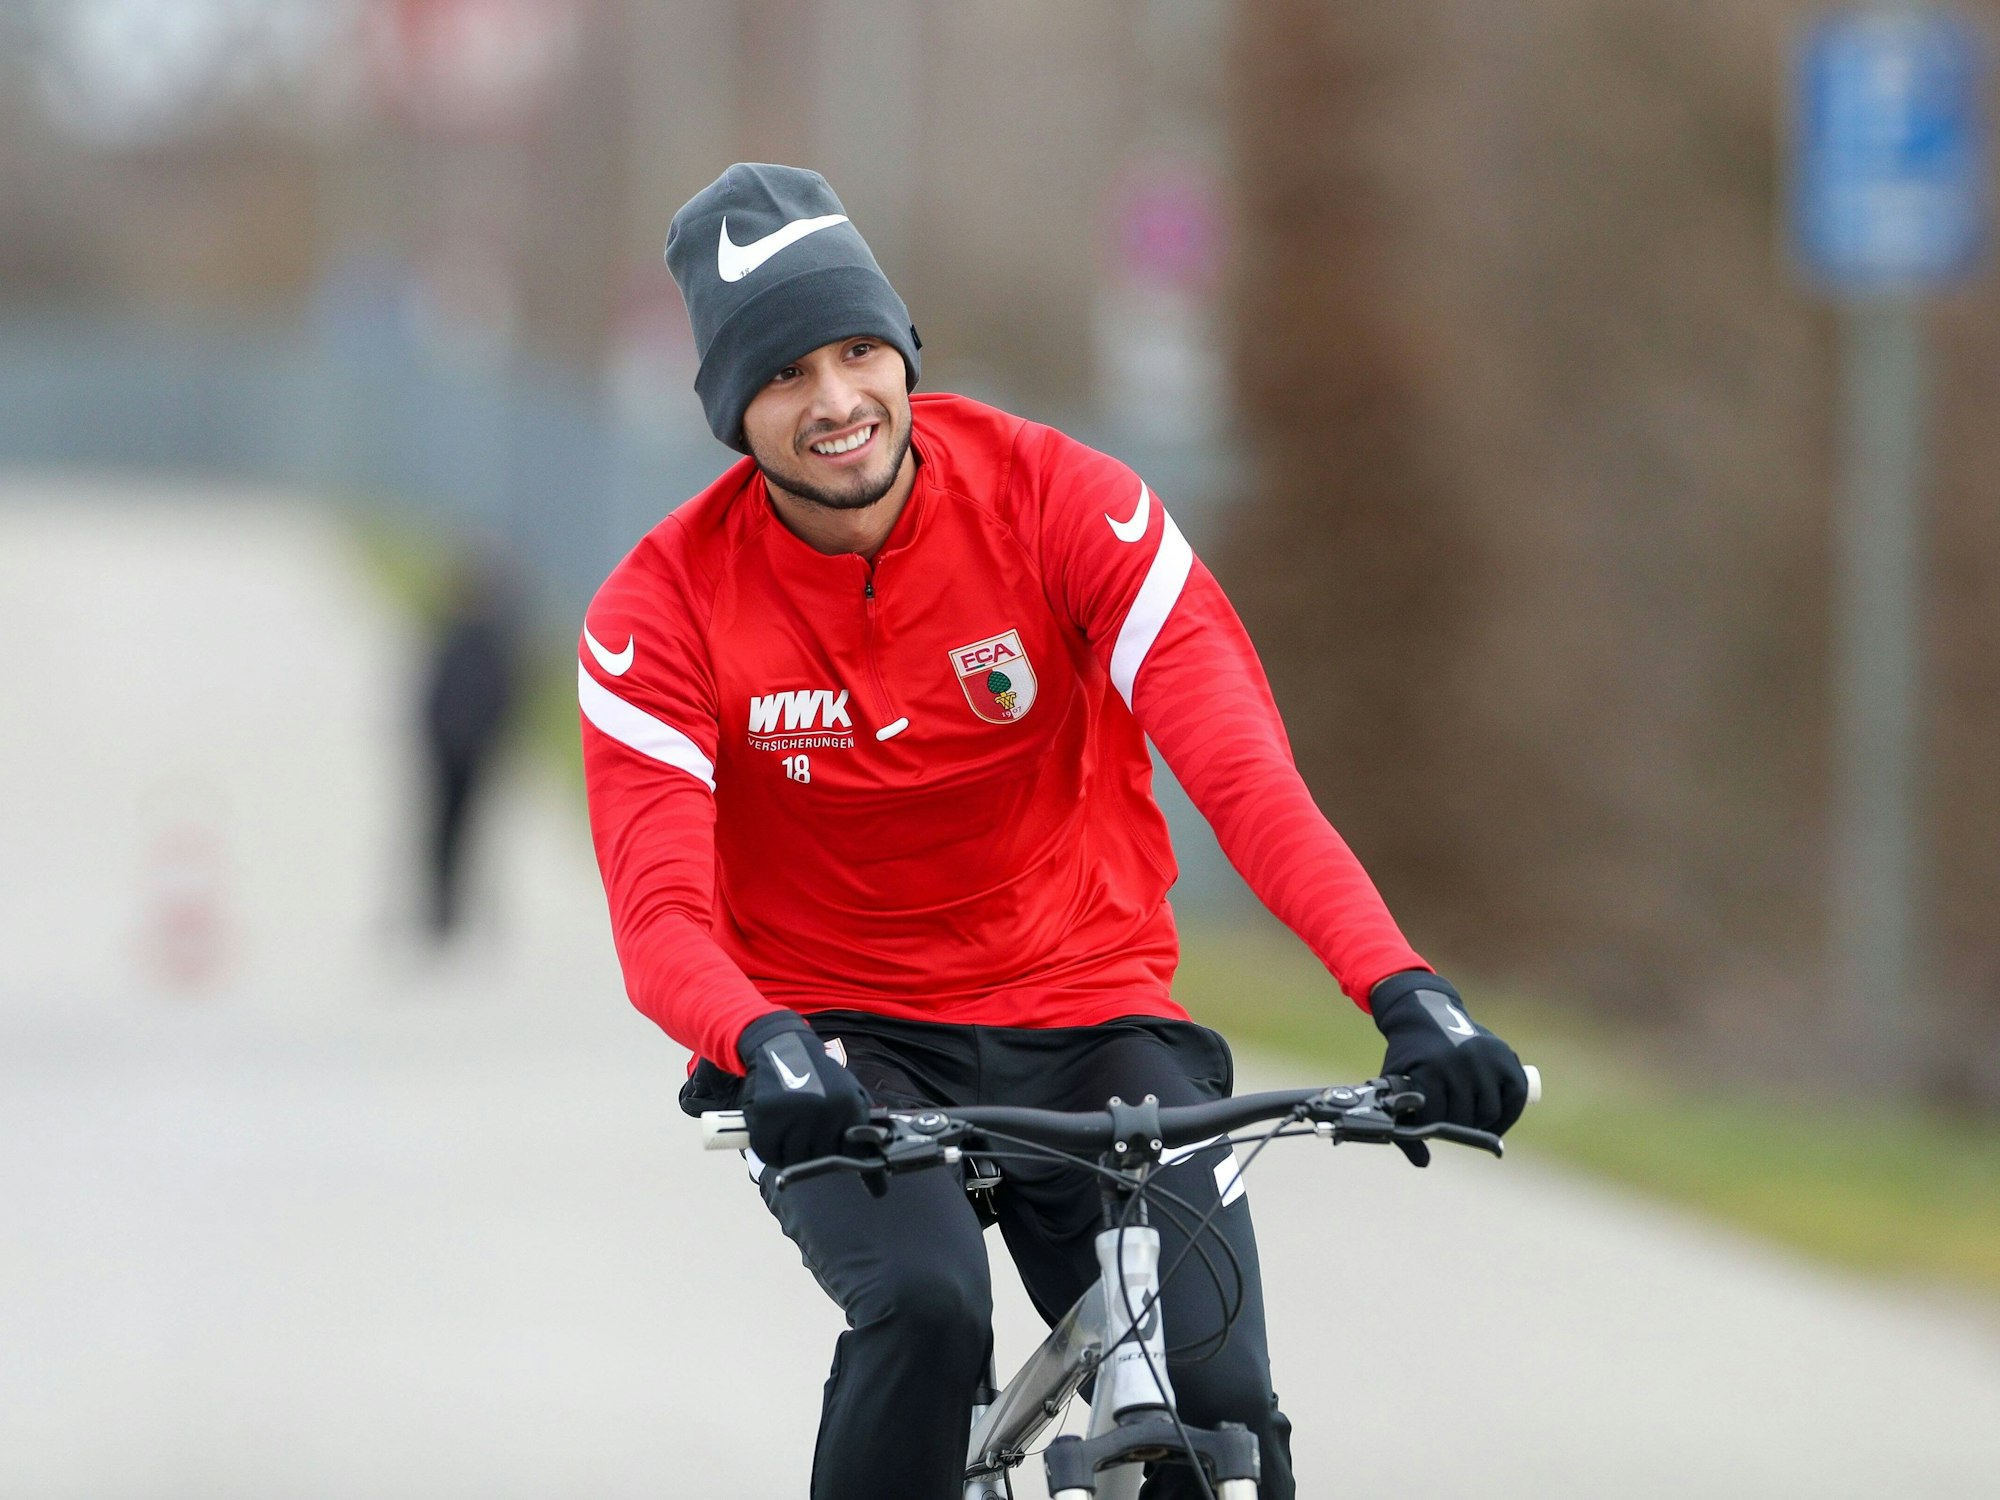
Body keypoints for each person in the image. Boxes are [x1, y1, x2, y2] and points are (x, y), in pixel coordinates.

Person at [578, 163, 1529, 1500]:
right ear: (735, 412)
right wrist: (764, 1046)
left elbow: (1246, 781)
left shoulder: (1064, 503)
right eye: (787, 375)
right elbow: (657, 916)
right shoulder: (659, 611)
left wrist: (1406, 991)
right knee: (925, 1308)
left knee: (1221, 1396)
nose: (839, 401)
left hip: (1090, 1010)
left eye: (860, 351)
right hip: (838, 1045)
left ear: (906, 350)